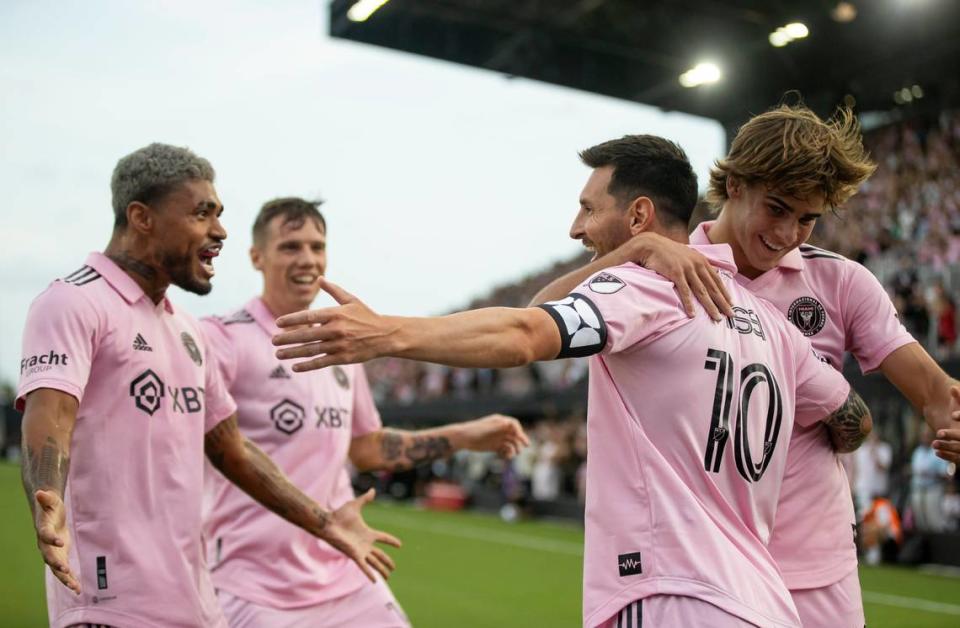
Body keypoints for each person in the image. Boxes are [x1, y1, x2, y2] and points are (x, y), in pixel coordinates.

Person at [272, 135, 872, 628]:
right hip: (764, 602)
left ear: (637, 213)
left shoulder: (644, 288)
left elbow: (527, 333)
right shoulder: (771, 323)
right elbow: (853, 419)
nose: (575, 227)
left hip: (671, 593)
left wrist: (387, 334)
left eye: (589, 208)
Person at [525, 104, 960, 627]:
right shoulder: (660, 268)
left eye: (807, 218)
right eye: (777, 208)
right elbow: (534, 321)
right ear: (734, 185)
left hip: (815, 569)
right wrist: (637, 249)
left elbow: (937, 395)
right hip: (704, 570)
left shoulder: (841, 283)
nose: (790, 233)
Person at [17, 144, 399, 628]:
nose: (219, 231)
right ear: (142, 217)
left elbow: (234, 450)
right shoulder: (74, 301)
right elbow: (50, 415)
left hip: (197, 605)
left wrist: (326, 523)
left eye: (219, 215)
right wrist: (46, 496)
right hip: (108, 605)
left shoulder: (187, 332)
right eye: (202, 214)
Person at [201, 196, 529, 627]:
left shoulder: (341, 343)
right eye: (291, 246)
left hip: (346, 565)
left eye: (317, 247)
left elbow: (367, 449)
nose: (307, 259)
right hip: (254, 585)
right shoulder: (221, 339)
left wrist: (466, 435)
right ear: (256, 256)